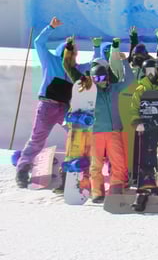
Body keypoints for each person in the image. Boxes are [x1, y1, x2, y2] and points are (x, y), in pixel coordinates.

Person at [62, 37, 133, 201]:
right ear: (92, 79)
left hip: (114, 131)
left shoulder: (114, 89)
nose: (101, 82)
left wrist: (125, 62)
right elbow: (68, 67)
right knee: (96, 164)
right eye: (97, 79)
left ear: (107, 78)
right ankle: (97, 191)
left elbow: (130, 80)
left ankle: (116, 187)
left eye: (103, 78)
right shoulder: (88, 90)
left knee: (119, 162)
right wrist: (69, 48)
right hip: (95, 132)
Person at [15, 18, 79, 188]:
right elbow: (39, 42)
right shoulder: (50, 60)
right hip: (47, 105)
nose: (71, 54)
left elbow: (93, 68)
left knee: (75, 136)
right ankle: (22, 169)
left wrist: (99, 50)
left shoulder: (75, 68)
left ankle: (69, 171)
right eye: (69, 51)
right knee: (37, 139)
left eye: (73, 52)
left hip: (64, 108)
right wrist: (51, 27)